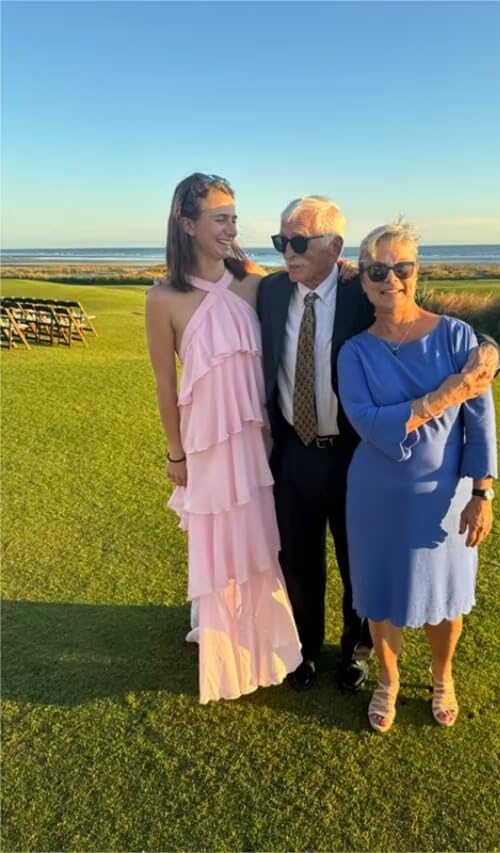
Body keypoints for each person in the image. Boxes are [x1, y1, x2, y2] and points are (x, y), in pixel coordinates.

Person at [257, 197, 500, 693]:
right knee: (298, 560)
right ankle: (304, 650)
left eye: (299, 241)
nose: (288, 252)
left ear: (334, 248)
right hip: (294, 451)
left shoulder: (361, 290)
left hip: (353, 455)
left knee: (358, 563)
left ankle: (357, 652)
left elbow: (435, 327)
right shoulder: (270, 290)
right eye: (281, 241)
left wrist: (492, 353)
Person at [145, 172, 301, 703]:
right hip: (206, 444)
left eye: (233, 218)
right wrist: (176, 454)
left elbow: (306, 283)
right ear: (187, 224)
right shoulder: (163, 298)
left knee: (257, 541)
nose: (231, 228)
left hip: (256, 440)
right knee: (218, 544)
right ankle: (222, 644)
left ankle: (261, 642)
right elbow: (165, 384)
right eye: (219, 219)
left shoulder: (252, 283)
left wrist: (343, 268)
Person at [337, 222, 498, 732]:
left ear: (416, 271)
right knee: (380, 595)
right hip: (375, 496)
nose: (391, 279)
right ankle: (387, 679)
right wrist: (444, 395)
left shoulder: (457, 336)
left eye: (401, 267)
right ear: (363, 281)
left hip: (445, 498)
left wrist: (482, 492)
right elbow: (368, 422)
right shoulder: (354, 351)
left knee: (446, 598)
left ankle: (442, 675)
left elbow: (480, 422)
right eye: (377, 271)